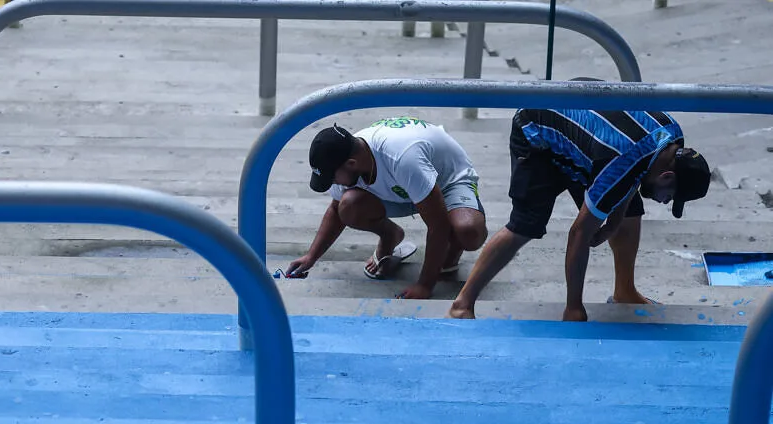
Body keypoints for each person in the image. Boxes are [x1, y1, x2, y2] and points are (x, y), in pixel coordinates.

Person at [448, 106, 711, 321]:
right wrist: (574, 308)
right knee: (525, 225)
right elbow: (579, 233)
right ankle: (463, 302)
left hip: (586, 140)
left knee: (630, 211)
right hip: (537, 133)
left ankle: (625, 291)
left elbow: (635, 172)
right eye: (671, 197)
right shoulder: (619, 163)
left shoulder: (672, 138)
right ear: (666, 176)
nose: (665, 203)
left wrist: (614, 222)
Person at [286, 118, 488, 300]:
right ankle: (390, 235)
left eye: (332, 178)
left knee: (468, 232)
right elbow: (335, 211)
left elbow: (438, 224)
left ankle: (452, 251)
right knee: (348, 206)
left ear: (352, 164)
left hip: (446, 182)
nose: (332, 184)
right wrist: (311, 256)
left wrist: (425, 285)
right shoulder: (344, 156)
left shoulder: (402, 157)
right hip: (403, 188)